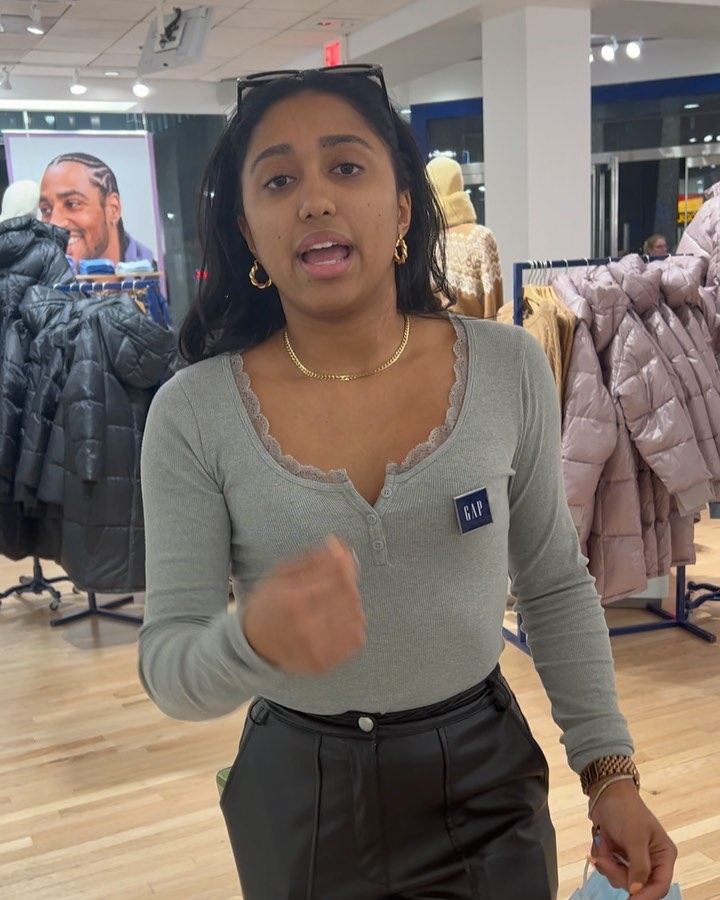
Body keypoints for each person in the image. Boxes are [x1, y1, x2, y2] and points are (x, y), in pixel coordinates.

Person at [138, 64, 677, 900]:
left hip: (483, 779)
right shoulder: (193, 413)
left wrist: (609, 770)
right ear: (248, 231)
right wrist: (251, 642)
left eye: (345, 166)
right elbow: (169, 662)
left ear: (400, 209)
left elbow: (553, 583)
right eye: (279, 180)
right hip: (298, 794)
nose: (315, 199)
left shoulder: (506, 367)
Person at [38, 152, 156, 268]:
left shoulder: (157, 276)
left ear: (113, 209)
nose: (54, 223)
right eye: (46, 210)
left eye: (72, 204)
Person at [426, 155, 503, 318]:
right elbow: (493, 310)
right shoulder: (480, 238)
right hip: (473, 333)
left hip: (429, 333)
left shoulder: (423, 243)